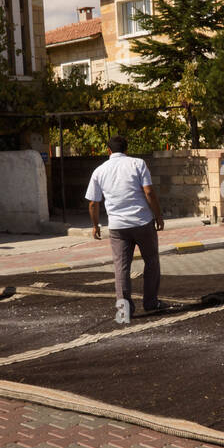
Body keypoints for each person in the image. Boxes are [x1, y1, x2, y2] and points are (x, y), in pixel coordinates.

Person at [86, 135, 166, 318]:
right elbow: (149, 192)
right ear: (127, 149)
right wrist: (158, 216)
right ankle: (151, 303)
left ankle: (124, 309)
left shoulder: (99, 171)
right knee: (151, 262)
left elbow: (93, 203)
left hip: (117, 227)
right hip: (142, 222)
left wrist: (95, 225)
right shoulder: (138, 164)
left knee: (121, 267)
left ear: (108, 151)